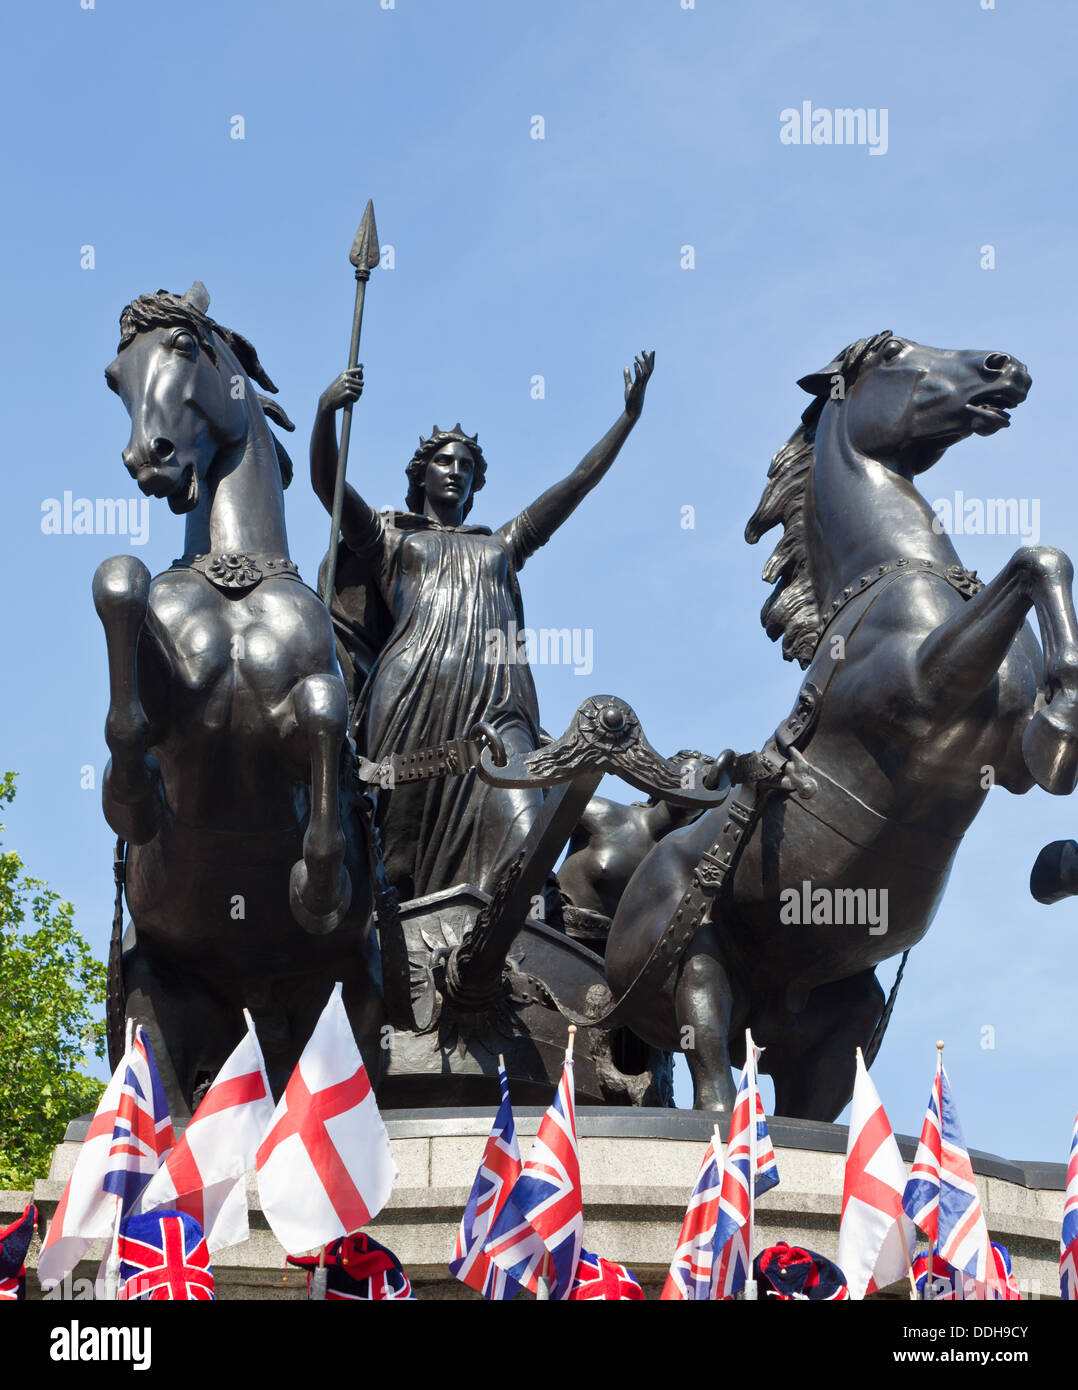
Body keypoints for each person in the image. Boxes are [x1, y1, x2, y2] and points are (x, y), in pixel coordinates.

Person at [310, 352, 654, 901]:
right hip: (411, 701)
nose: (456, 471)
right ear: (420, 475)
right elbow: (328, 485)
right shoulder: (391, 541)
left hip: (498, 706)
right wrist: (326, 412)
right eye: (445, 462)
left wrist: (627, 420)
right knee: (395, 862)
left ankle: (512, 960)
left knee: (525, 838)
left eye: (467, 466)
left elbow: (576, 484)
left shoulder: (503, 544)